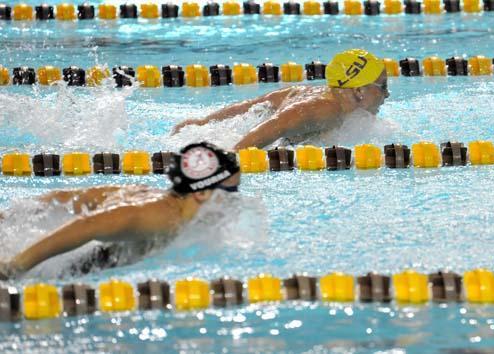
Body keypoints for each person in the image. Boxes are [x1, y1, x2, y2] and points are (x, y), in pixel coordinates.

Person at [0, 142, 240, 280]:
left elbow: (69, 197)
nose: (234, 199)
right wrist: (16, 266)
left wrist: (7, 216)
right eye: (231, 190)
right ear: (201, 192)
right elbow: (88, 225)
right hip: (70, 270)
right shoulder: (160, 217)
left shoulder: (149, 194)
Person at [171, 49, 390, 151]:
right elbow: (279, 123)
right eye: (383, 87)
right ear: (359, 90)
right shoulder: (327, 109)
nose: (387, 94)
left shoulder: (314, 93)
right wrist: (232, 156)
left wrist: (203, 122)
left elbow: (254, 105)